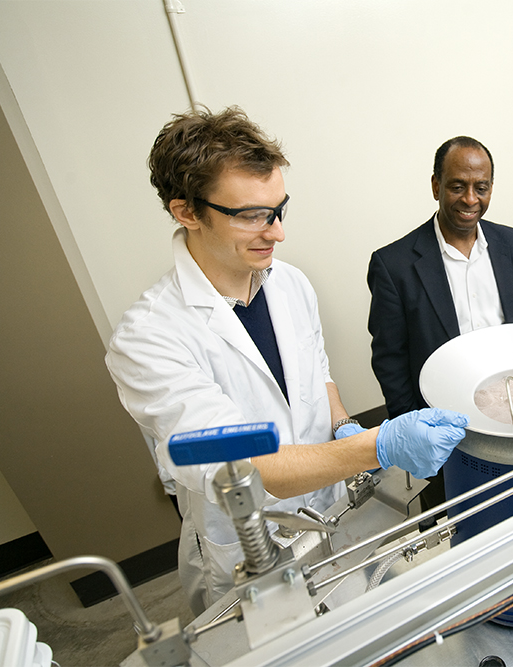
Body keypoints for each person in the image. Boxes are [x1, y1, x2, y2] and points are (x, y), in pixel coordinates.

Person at [106, 107, 468, 614]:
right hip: (248, 552)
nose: (276, 233)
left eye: (279, 209)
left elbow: (317, 375)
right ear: (186, 211)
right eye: (251, 215)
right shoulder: (147, 340)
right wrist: (377, 444)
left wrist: (342, 424)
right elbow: (246, 465)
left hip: (332, 517)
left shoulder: (290, 283)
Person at [367, 136, 513, 512]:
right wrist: (419, 438)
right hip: (446, 429)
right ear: (436, 186)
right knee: (456, 520)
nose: (470, 199)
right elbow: (390, 362)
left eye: (482, 187)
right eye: (458, 186)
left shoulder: (512, 245)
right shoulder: (393, 266)